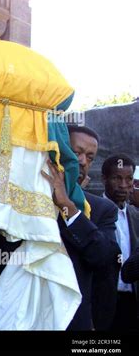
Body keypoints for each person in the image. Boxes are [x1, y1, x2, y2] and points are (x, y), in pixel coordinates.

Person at [42, 125, 121, 330]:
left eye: (90, 157)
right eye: (75, 153)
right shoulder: (27, 201)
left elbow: (104, 258)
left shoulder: (101, 209)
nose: (82, 162)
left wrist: (68, 207)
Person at [102, 154, 139, 330]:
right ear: (104, 179)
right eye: (117, 178)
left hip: (132, 302)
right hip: (102, 300)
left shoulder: (136, 216)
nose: (124, 185)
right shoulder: (91, 212)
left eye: (129, 179)